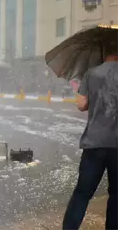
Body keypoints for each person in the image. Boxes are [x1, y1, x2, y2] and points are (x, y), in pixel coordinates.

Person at [62, 48, 118, 230]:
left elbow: (82, 104)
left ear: (103, 52)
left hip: (94, 143)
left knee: (82, 192)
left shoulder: (92, 73)